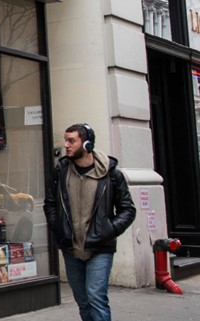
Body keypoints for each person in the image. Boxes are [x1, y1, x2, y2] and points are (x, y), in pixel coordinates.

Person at [44, 124, 136, 321]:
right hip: (71, 247)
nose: (66, 145)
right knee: (82, 300)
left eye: (72, 141)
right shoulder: (60, 172)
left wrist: (108, 230)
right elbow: (50, 204)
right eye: (65, 140)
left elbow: (128, 210)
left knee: (96, 297)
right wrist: (59, 229)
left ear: (87, 144)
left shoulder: (111, 174)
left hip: (100, 247)